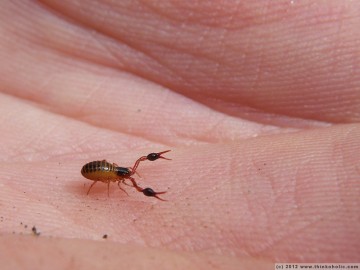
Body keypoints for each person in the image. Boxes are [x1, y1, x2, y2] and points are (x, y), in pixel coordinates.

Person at [0, 1, 358, 268]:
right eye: (125, 173)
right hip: (89, 173)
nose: (130, 174)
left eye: (126, 172)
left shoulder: (124, 173)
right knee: (111, 178)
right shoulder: (113, 176)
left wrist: (130, 171)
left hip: (95, 171)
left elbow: (131, 167)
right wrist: (114, 177)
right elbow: (106, 175)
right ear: (116, 172)